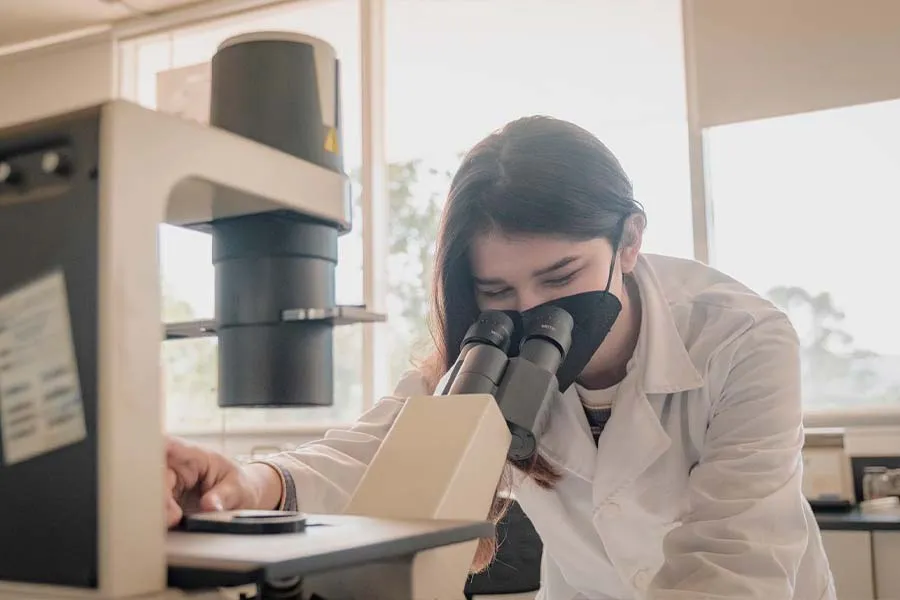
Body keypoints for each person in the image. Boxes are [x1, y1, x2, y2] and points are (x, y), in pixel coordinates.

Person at [166, 116, 837, 599]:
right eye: (498, 291)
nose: (533, 310)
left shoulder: (742, 340)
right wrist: (248, 485)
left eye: (561, 276)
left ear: (629, 241)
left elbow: (732, 560)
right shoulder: (485, 349)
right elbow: (375, 451)